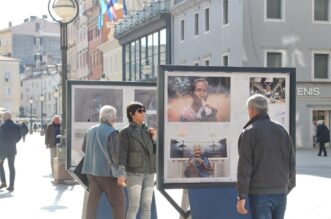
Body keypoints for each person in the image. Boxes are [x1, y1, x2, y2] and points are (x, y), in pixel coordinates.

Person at [236, 94, 295, 219]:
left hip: (259, 194)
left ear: (251, 110)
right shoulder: (282, 130)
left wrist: (242, 196)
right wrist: (284, 185)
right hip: (280, 192)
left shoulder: (249, 132)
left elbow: (244, 167)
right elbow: (291, 162)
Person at [81, 105, 125, 219]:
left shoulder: (90, 130)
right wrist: (122, 174)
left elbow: (83, 149)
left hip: (91, 173)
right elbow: (117, 157)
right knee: (118, 204)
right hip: (108, 174)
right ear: (112, 118)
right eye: (115, 117)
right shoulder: (113, 133)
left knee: (92, 205)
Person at [117, 102, 157, 219]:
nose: (143, 113)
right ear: (131, 114)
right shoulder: (126, 132)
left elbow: (154, 151)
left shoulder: (148, 131)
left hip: (149, 173)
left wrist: (154, 138)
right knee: (134, 205)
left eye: (144, 110)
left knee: (147, 205)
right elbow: (122, 154)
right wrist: (121, 174)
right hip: (134, 173)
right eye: (140, 111)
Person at [0, 112, 22, 192]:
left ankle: (3, 182)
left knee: (0, 165)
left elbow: (1, 139)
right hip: (12, 149)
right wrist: (13, 142)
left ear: (7, 117)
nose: (3, 118)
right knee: (11, 167)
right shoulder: (16, 126)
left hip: (3, 150)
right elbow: (19, 136)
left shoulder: (3, 126)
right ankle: (11, 186)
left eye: (4, 116)